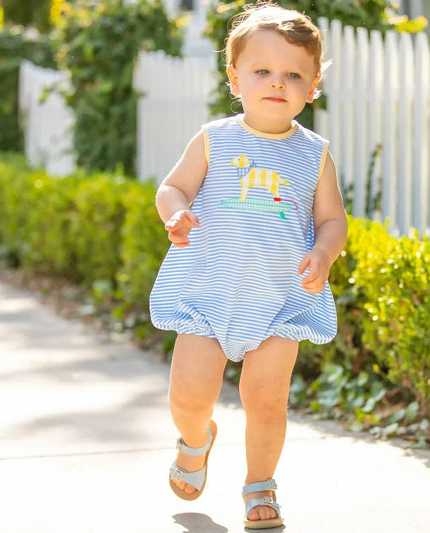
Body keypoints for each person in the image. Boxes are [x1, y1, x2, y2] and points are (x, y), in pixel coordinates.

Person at [150, 1, 347, 529]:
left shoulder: (315, 153)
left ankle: (260, 485)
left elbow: (333, 220)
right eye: (262, 71)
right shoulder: (215, 138)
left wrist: (324, 252)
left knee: (267, 400)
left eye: (293, 74)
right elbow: (172, 187)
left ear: (313, 87)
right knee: (190, 395)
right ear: (235, 79)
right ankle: (196, 440)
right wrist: (178, 213)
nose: (277, 83)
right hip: (209, 293)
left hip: (280, 299)